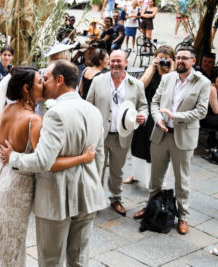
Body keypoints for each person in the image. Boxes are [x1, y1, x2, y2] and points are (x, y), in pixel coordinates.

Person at [0, 61, 107, 266]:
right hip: (89, 194)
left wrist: (13, 158)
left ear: (60, 80)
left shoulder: (56, 113)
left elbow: (42, 161)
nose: (43, 83)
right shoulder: (94, 111)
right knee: (80, 259)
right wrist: (94, 183)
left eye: (45, 78)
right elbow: (98, 155)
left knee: (50, 260)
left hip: (57, 198)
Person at [133, 47, 210, 235]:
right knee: (155, 178)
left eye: (186, 58)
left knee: (182, 180)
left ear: (193, 61)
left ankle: (183, 216)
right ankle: (151, 208)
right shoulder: (167, 78)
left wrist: (174, 116)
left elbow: (201, 111)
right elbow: (155, 102)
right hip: (160, 134)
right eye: (180, 57)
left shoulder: (203, 82)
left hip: (183, 137)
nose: (182, 61)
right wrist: (158, 119)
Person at [87, 49, 148, 216]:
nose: (115, 64)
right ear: (108, 62)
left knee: (117, 169)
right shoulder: (98, 81)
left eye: (119, 61)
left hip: (122, 135)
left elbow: (143, 106)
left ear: (126, 63)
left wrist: (143, 115)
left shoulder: (137, 84)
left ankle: (116, 198)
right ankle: (93, 200)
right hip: (99, 134)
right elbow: (88, 105)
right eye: (112, 60)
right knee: (96, 168)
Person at [124, 45, 175, 186]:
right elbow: (139, 86)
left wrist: (169, 70)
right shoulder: (150, 69)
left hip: (160, 113)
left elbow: (169, 93)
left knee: (156, 148)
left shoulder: (174, 74)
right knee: (139, 144)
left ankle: (157, 179)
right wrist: (152, 68)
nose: (162, 61)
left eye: (165, 59)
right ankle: (136, 174)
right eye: (159, 58)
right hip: (145, 111)